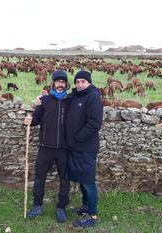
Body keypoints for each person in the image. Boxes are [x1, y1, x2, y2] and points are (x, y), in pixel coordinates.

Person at [23, 70, 71, 223]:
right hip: (45, 147)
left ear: (66, 85)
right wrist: (30, 119)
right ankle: (37, 205)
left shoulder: (70, 101)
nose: (60, 85)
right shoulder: (44, 101)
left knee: (65, 179)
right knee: (39, 178)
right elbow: (36, 119)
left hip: (64, 149)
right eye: (58, 82)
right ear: (53, 83)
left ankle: (61, 208)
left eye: (63, 82)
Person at [65, 70, 103, 228]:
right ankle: (86, 206)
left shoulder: (93, 97)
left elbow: (95, 123)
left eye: (83, 81)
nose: (80, 84)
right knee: (81, 179)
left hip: (86, 147)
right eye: (77, 81)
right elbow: (60, 101)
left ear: (89, 82)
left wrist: (77, 138)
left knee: (88, 181)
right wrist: (42, 98)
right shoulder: (75, 96)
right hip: (75, 147)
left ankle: (93, 215)